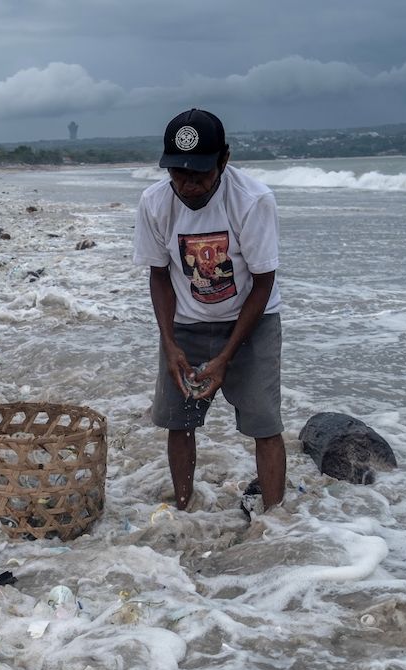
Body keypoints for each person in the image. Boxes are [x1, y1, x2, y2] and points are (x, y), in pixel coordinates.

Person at [133, 108, 285, 513]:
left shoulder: (252, 200)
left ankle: (275, 521)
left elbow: (263, 282)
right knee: (178, 422)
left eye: (199, 174)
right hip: (186, 322)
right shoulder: (155, 202)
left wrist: (226, 357)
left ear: (225, 159)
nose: (189, 185)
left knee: (264, 425)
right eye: (178, 173)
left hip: (251, 322)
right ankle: (184, 507)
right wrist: (170, 344)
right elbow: (160, 275)